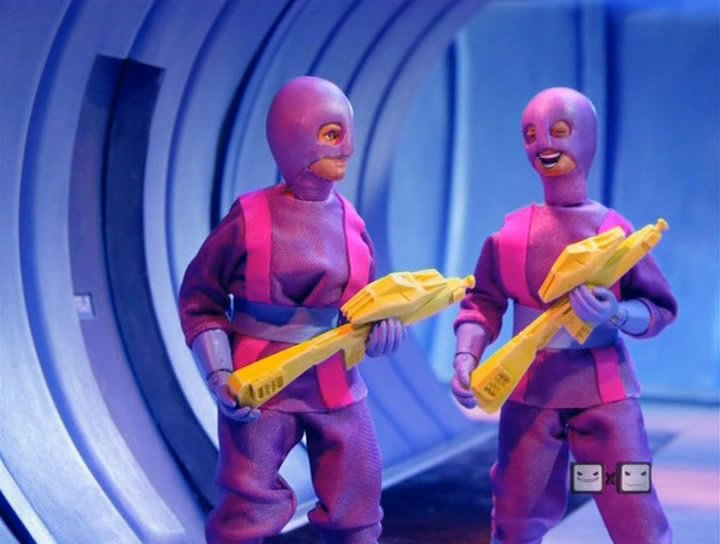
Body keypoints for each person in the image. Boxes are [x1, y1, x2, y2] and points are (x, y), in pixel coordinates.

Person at [179, 76, 405, 544]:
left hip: (336, 381)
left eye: (347, 132)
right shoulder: (250, 217)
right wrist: (219, 373)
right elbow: (201, 300)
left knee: (359, 501)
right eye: (331, 134)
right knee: (247, 506)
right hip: (260, 384)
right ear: (293, 138)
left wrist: (383, 329)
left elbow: (366, 306)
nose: (347, 147)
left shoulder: (351, 221)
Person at [451, 87, 677, 544]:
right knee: (517, 510)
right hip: (530, 390)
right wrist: (465, 356)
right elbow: (482, 302)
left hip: (606, 393)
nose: (545, 145)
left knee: (630, 502)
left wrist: (617, 313)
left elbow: (658, 308)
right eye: (531, 135)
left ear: (587, 138)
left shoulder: (616, 233)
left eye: (559, 130)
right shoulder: (511, 234)